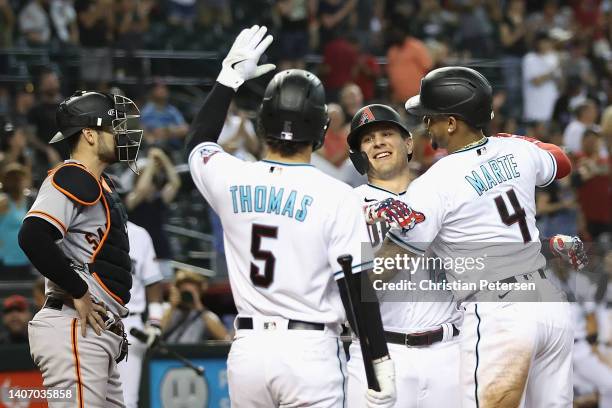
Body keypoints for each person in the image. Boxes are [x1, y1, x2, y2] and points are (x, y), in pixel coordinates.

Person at [186, 25, 395, 407]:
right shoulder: (337, 195)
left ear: (263, 121)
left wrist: (228, 78)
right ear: (321, 128)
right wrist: (379, 367)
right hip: (309, 350)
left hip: (248, 349)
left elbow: (198, 140)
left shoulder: (231, 177)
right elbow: (357, 293)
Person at [344, 103, 587, 408]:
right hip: (384, 349)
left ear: (408, 143)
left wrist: (549, 245)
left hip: (449, 348)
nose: (377, 142)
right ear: (358, 155)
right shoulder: (347, 206)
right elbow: (346, 285)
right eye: (367, 139)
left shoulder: (445, 185)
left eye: (386, 133)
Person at [18, 90, 143, 407]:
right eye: (113, 127)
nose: (121, 134)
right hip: (75, 325)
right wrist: (78, 291)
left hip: (95, 332)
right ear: (89, 133)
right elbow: (33, 235)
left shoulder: (100, 183)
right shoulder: (72, 175)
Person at [117, 220, 164, 408]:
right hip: (93, 320)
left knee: (127, 401)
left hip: (130, 323)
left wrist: (155, 322)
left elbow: (153, 282)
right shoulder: (83, 227)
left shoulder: (139, 234)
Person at [160, 269, 230, 343]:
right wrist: (172, 307)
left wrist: (199, 307)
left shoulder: (206, 316)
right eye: (184, 291)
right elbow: (157, 332)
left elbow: (225, 339)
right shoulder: (165, 309)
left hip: (191, 353)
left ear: (199, 292)